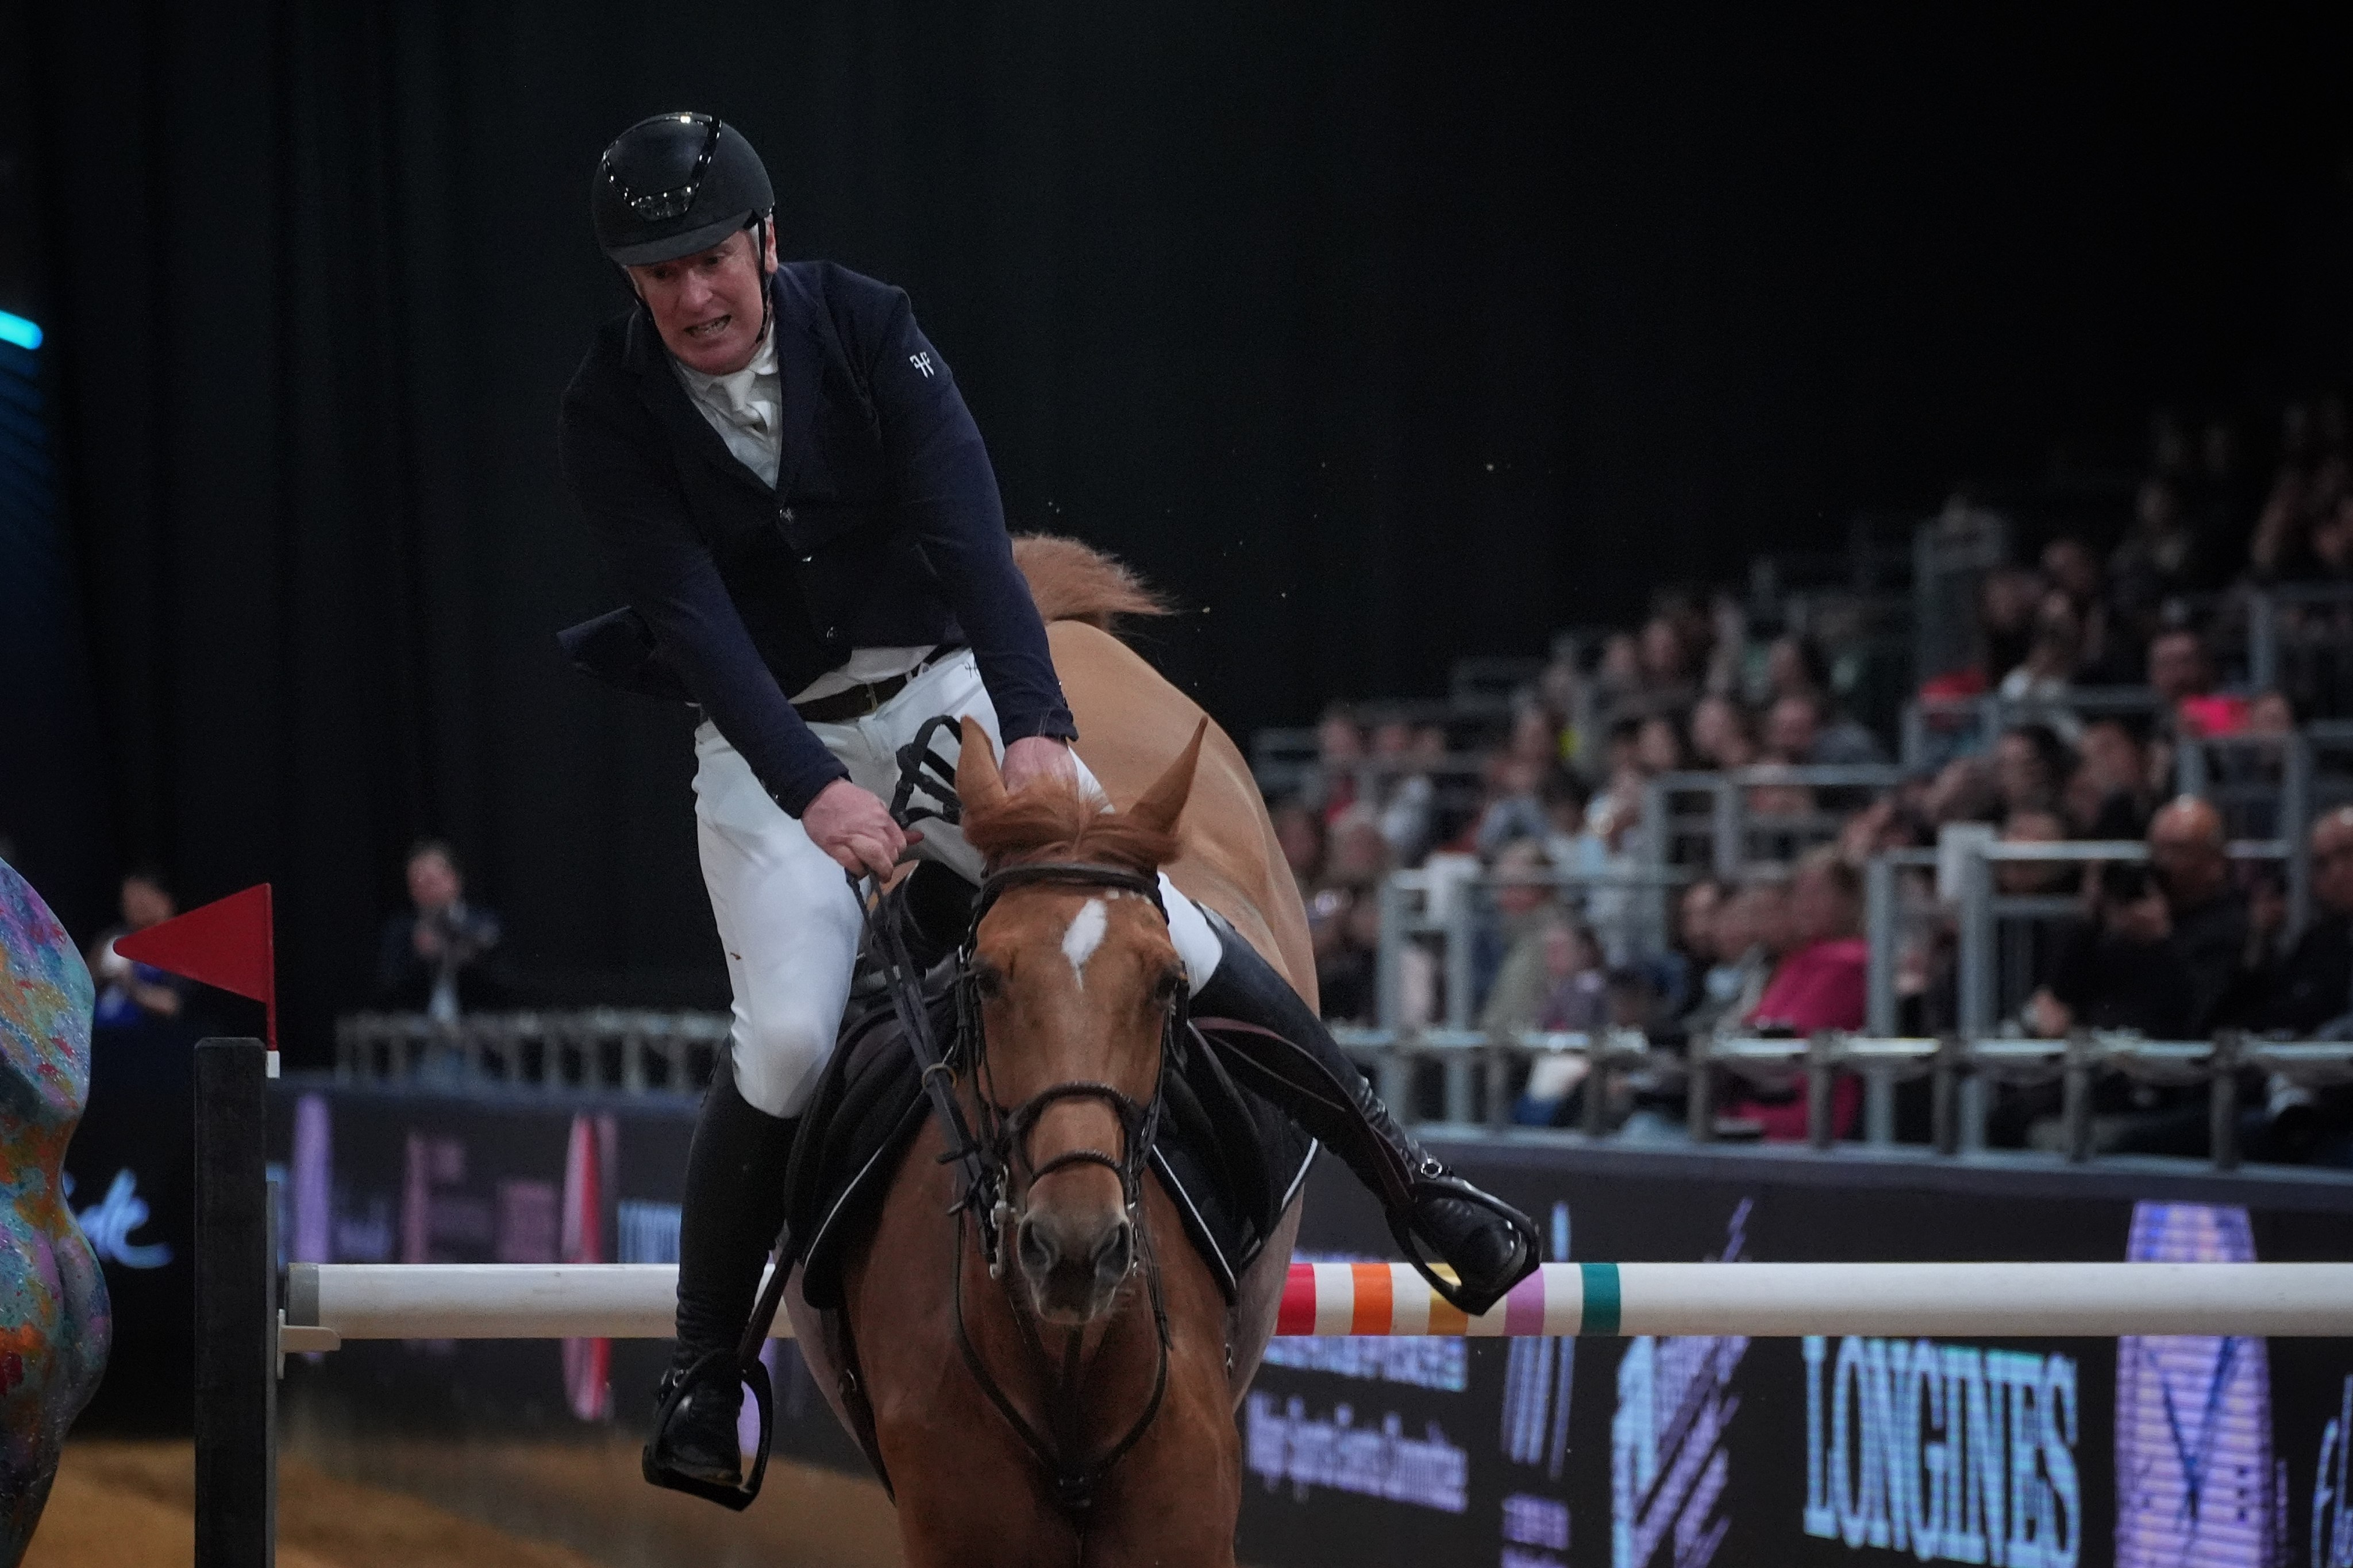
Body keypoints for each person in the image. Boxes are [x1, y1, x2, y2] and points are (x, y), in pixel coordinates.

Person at [556, 112, 1536, 1497]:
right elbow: (694, 624)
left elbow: (969, 529)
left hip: (941, 682)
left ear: (764, 242)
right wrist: (817, 792)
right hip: (766, 741)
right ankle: (707, 1368)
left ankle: (1413, 1175)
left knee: (1159, 921)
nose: (694, 296)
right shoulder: (611, 409)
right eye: (660, 274)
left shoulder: (868, 325)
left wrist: (1037, 729)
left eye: (713, 258)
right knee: (781, 1035)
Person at [1720, 849, 1868, 1141]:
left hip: (1810, 1108)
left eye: (1816, 893)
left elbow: (1793, 1031)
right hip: (1758, 1101)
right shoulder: (1798, 958)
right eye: (1799, 893)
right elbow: (1755, 1024)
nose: (1804, 904)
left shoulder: (1851, 960)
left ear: (1848, 899)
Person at [372, 841, 509, 1022]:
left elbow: (504, 981)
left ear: (453, 879)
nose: (424, 890)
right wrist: (419, 955)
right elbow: (387, 990)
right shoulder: (402, 931)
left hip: (478, 1028)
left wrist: (463, 950)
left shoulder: (485, 922)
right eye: (416, 884)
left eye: (430, 881)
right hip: (419, 1032)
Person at [86, 869, 190, 1029]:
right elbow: (85, 983)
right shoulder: (114, 938)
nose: (134, 907)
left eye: (141, 901)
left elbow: (172, 1005)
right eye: (127, 901)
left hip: (146, 1039)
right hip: (102, 1035)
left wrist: (130, 984)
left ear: (164, 900)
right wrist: (101, 973)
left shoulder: (179, 946)